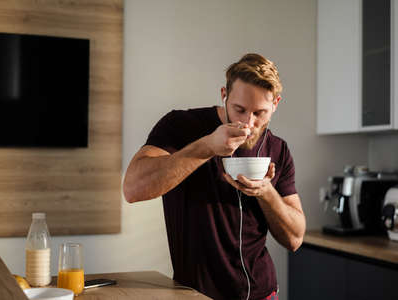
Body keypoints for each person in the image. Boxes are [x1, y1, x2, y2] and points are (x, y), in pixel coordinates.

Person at [123, 53, 306, 300]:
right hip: (195, 295)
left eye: (260, 113)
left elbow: (295, 238)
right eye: (239, 109)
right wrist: (207, 147)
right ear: (224, 95)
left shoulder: (278, 149)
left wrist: (266, 192)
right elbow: (133, 189)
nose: (248, 123)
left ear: (276, 104)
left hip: (263, 293)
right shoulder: (180, 125)